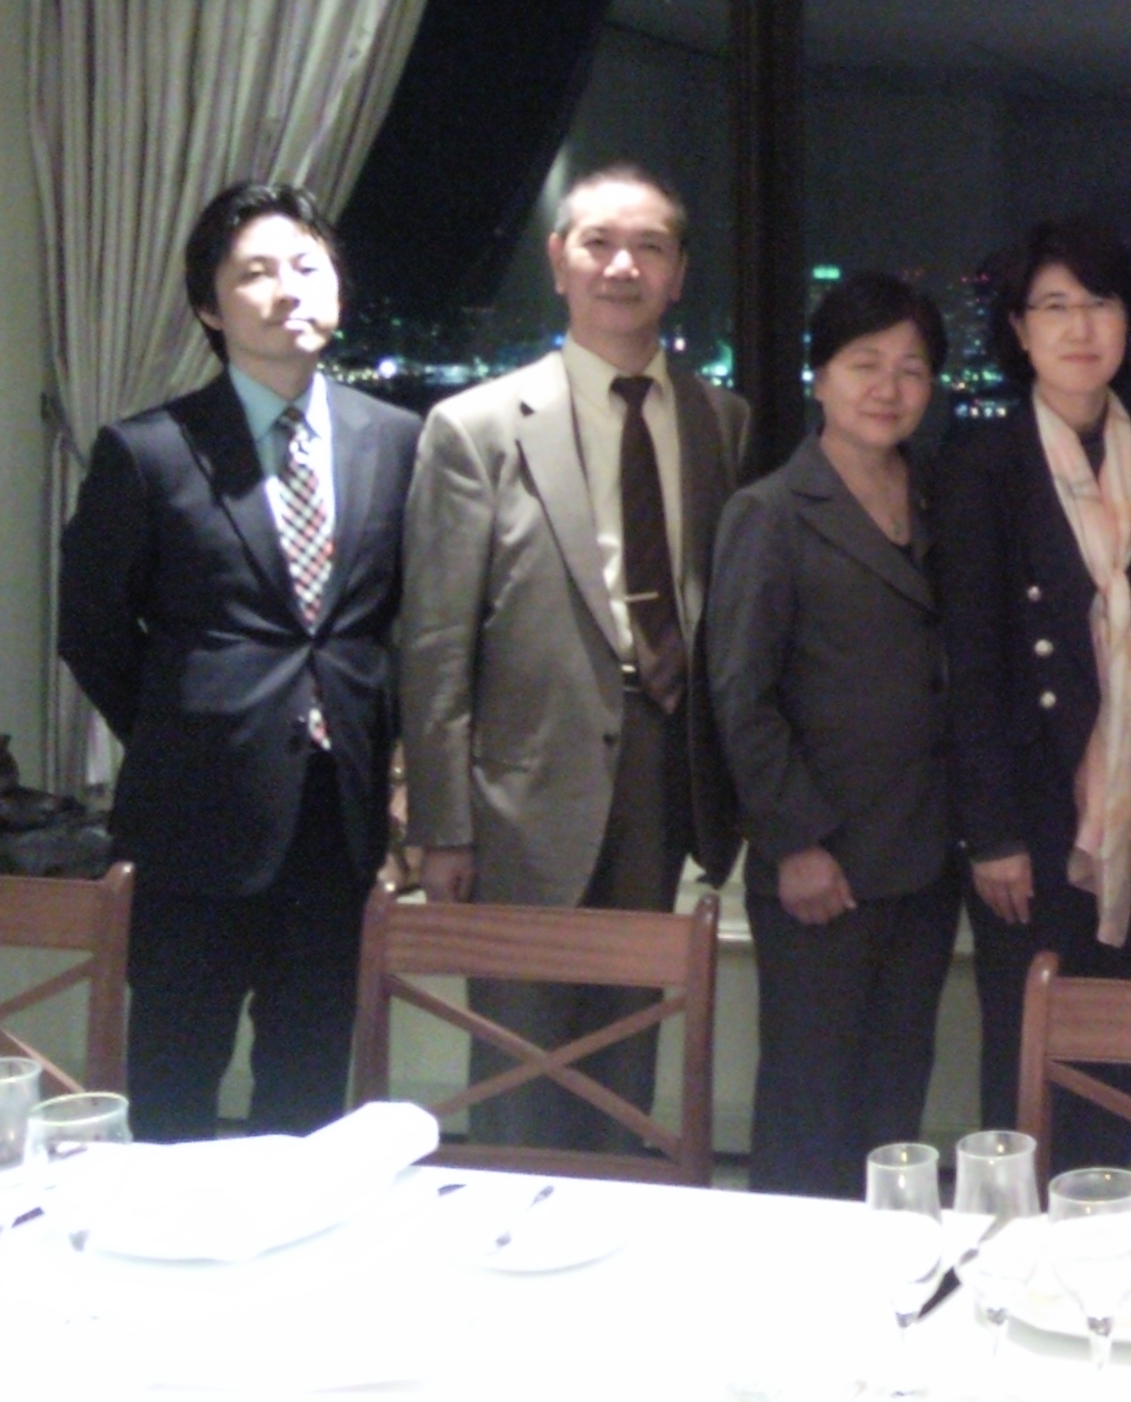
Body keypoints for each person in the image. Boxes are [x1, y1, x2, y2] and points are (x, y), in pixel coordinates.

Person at [58, 182, 421, 1142]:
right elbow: (91, 630)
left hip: (337, 824)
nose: (287, 289)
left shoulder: (398, 441)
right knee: (174, 1090)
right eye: (255, 273)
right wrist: (186, 728)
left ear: (337, 286)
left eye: (306, 266)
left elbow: (407, 626)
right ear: (211, 308)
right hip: (193, 824)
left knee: (307, 1096)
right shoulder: (148, 451)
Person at [400, 163, 751, 1149]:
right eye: (598, 243)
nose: (622, 267)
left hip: (665, 768)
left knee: (633, 1038)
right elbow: (435, 642)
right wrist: (442, 825)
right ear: (559, 262)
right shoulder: (474, 427)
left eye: (649, 247)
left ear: (679, 274)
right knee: (520, 1052)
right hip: (523, 791)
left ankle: (617, 1218)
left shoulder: (720, 421)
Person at [707, 275, 964, 1198]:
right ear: (820, 377)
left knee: (896, 1102)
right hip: (824, 867)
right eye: (865, 364)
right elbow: (741, 696)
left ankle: (894, 1268)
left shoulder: (936, 498)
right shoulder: (772, 512)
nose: (888, 388)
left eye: (911, 368)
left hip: (925, 857)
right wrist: (796, 844)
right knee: (809, 1107)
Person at [937, 217, 1131, 1169]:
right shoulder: (981, 464)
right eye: (1055, 307)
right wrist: (990, 833)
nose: (1080, 328)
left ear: (1128, 321)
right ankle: (1015, 1236)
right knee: (1025, 1044)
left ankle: (1106, 1220)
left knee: (1116, 1043)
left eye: (1099, 304)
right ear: (1019, 330)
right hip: (1033, 812)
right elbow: (971, 663)